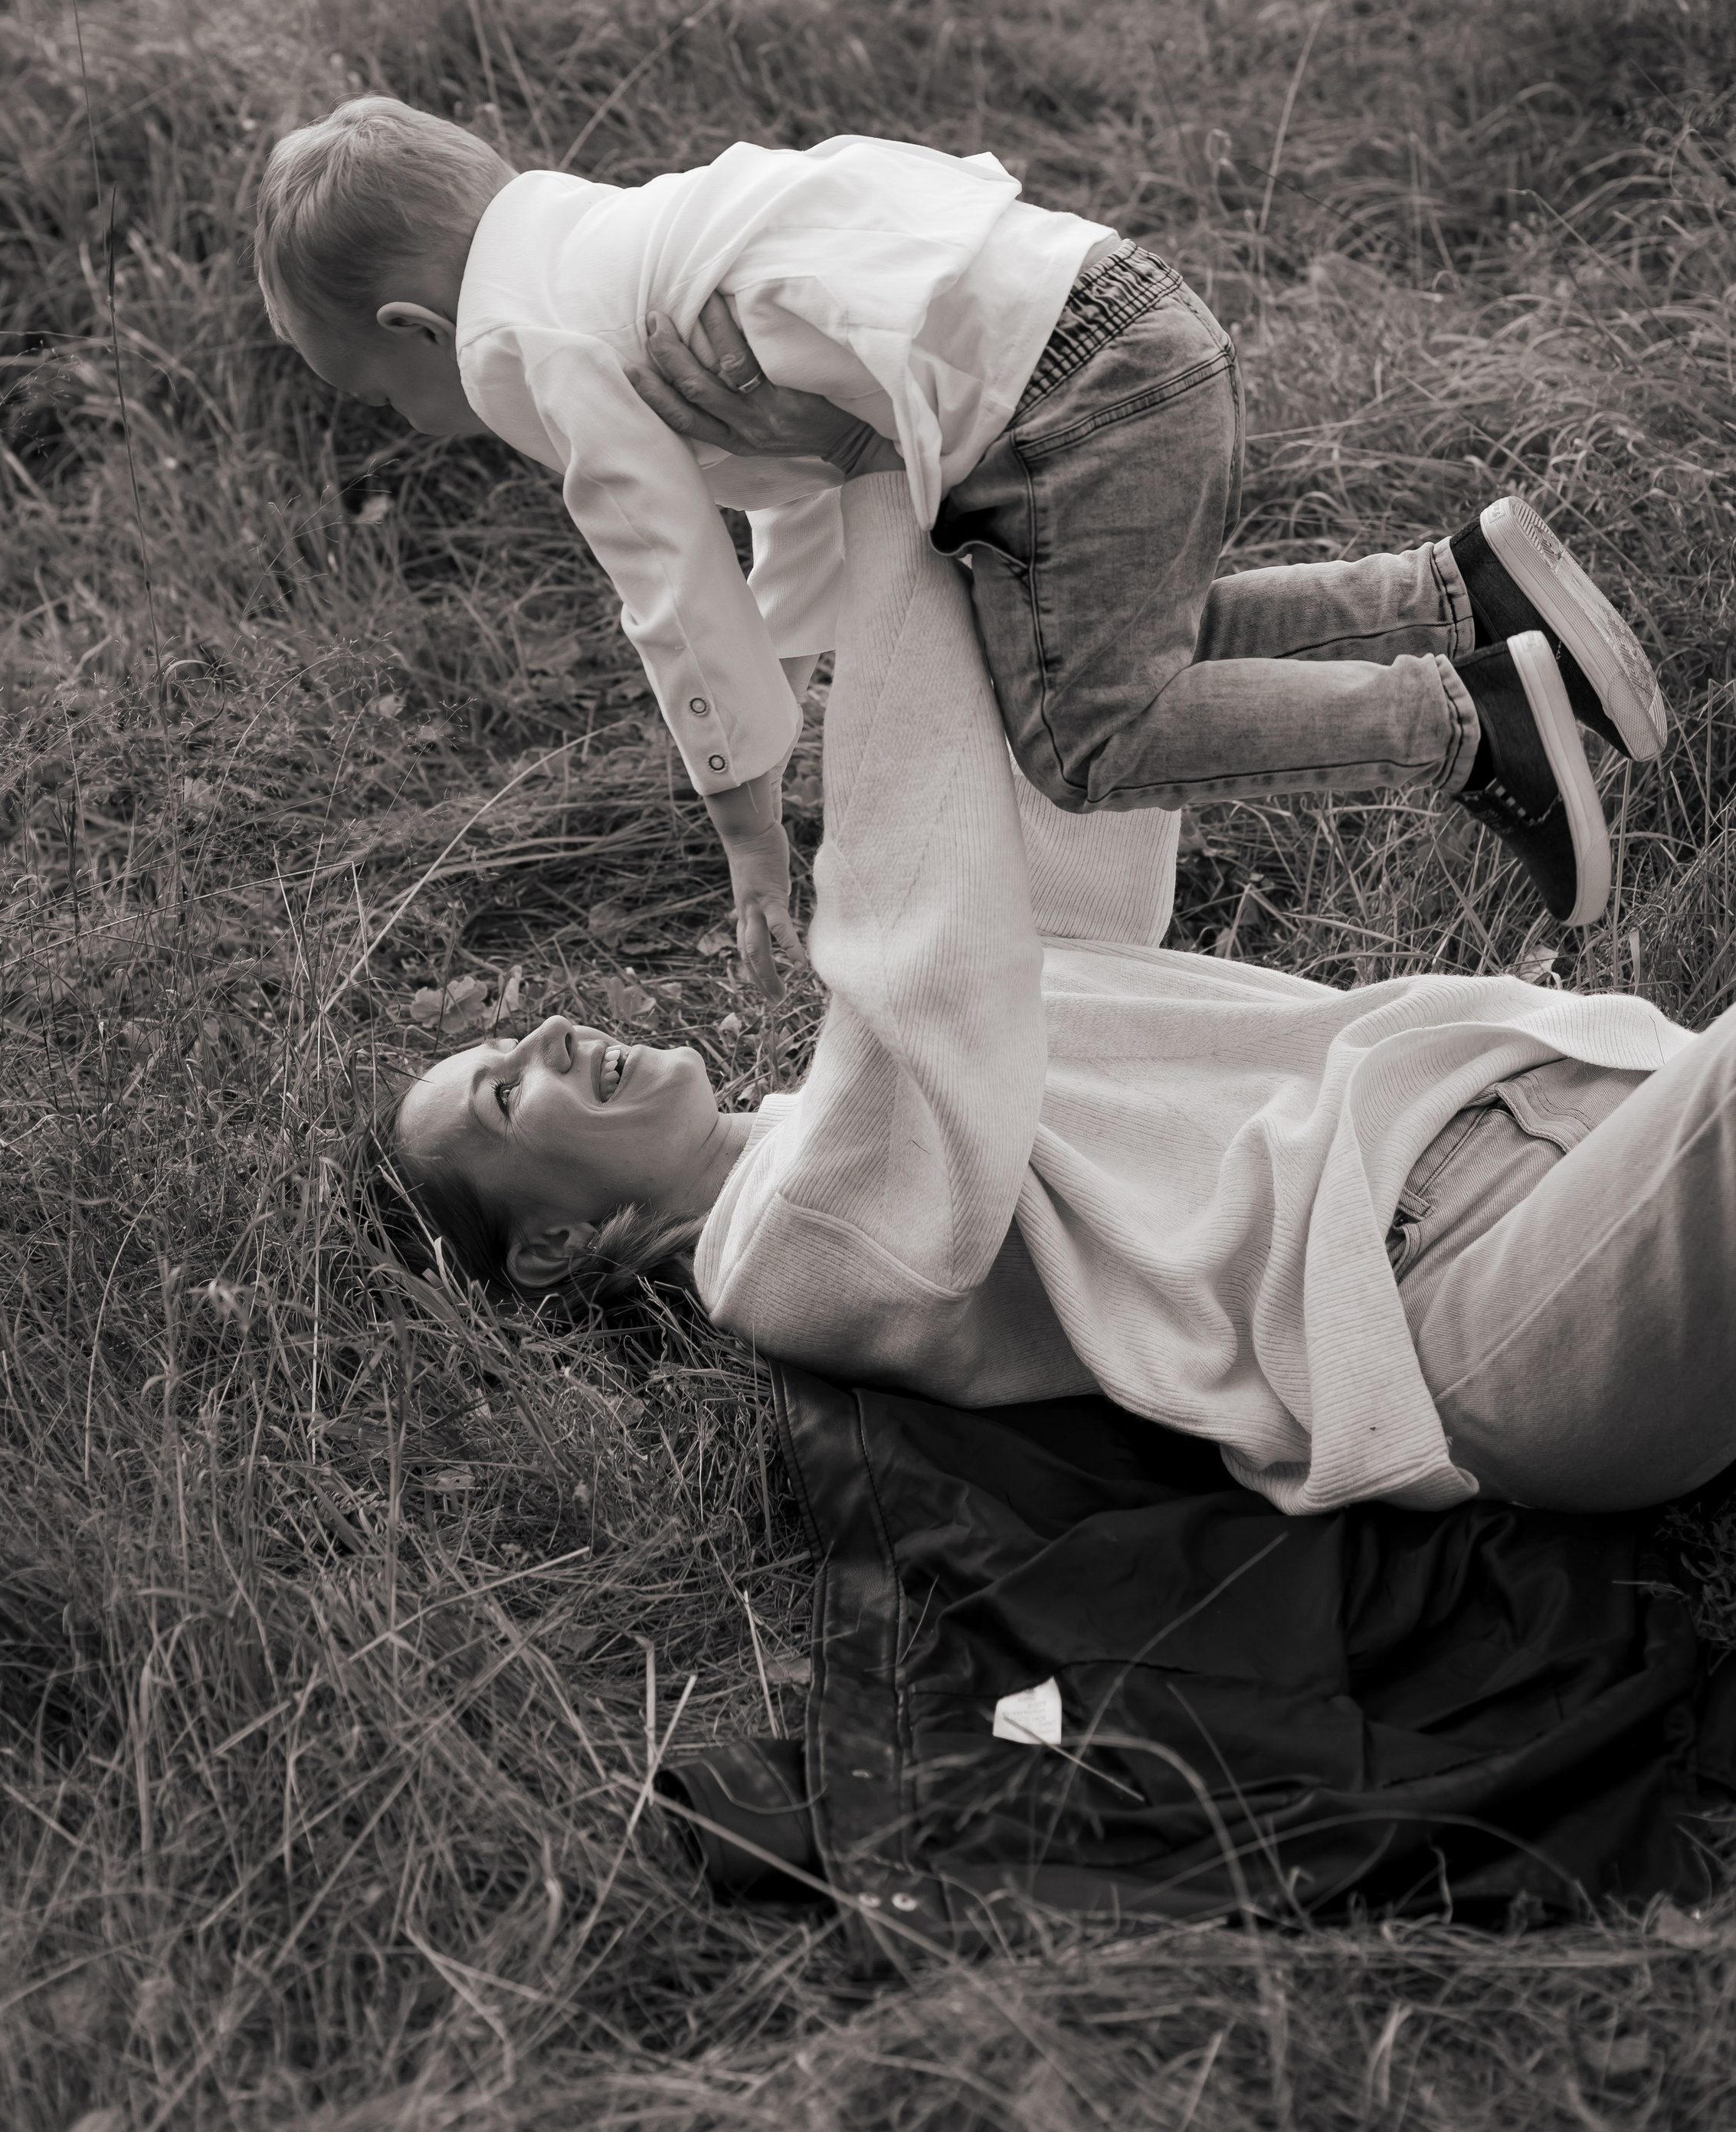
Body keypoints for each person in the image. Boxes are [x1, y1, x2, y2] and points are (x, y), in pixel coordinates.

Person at [361, 463, 1732, 1523]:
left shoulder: (898, 1074)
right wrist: (869, 460)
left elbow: (1060, 728)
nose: (549, 1033)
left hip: (1577, 1102)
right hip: (1475, 1290)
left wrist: (944, 423)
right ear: (553, 1248)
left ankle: (1456, 609)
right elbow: (907, 885)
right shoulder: (787, 1252)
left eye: (509, 1040)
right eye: (506, 1089)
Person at [256, 99, 1667, 980]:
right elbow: (788, 497)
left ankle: (1465, 730)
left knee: (1089, 740)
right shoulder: (618, 246)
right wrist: (790, 685)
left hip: (1060, 404)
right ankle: (1463, 595)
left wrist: (745, 821)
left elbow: (664, 569)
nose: (413, 424)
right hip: (1121, 311)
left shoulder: (513, 344)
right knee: (1106, 647)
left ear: (416, 330)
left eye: (381, 400)